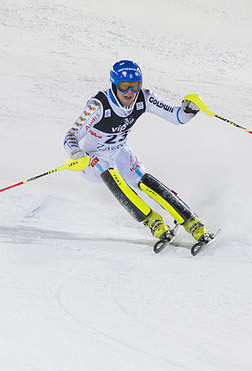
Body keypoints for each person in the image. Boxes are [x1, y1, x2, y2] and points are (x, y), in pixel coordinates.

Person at [63, 60, 212, 244]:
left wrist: (188, 111)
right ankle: (152, 221)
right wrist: (75, 152)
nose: (130, 92)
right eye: (124, 86)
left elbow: (176, 117)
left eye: (135, 86)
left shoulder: (144, 98)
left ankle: (192, 222)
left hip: (119, 150)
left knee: (140, 177)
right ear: (114, 85)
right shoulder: (98, 105)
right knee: (105, 166)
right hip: (92, 158)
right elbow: (71, 135)